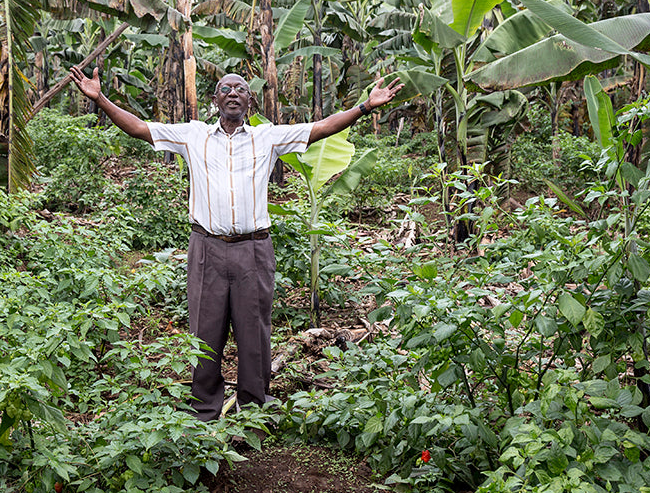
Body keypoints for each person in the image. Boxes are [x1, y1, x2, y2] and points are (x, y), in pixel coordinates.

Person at [69, 66, 404, 421]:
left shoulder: (268, 137)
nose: (232, 92)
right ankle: (204, 409)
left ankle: (254, 408)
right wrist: (100, 99)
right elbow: (139, 128)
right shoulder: (192, 136)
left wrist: (365, 107)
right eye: (225, 88)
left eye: (240, 89)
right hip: (207, 248)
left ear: (249, 100)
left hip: (253, 249)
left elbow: (321, 128)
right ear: (215, 100)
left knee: (254, 329)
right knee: (205, 328)